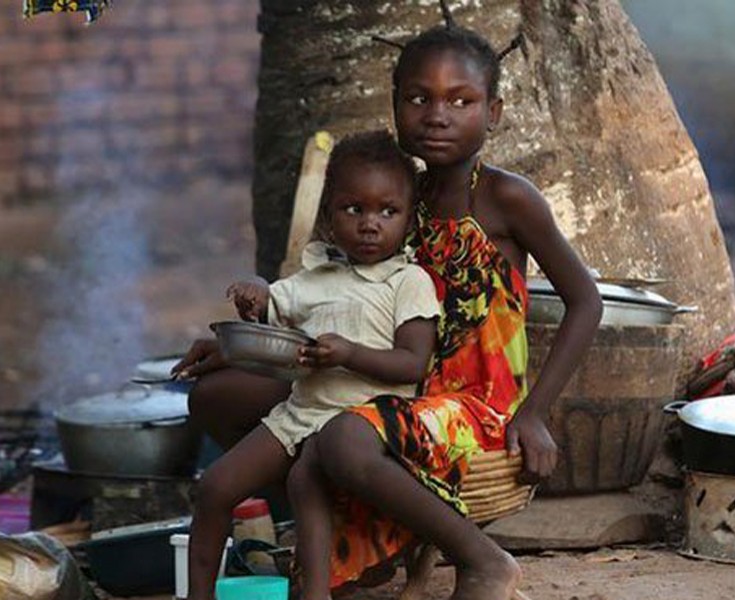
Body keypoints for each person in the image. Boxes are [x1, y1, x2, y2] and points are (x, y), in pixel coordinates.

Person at [177, 8, 603, 600]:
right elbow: (343, 304)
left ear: (494, 113)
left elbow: (586, 301)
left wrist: (534, 412)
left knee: (344, 440)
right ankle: (343, 526)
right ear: (396, 105)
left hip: (469, 404)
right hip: (382, 379)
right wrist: (238, 350)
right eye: (418, 99)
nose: (436, 116)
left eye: (461, 101)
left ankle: (484, 561)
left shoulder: (508, 199)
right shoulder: (396, 197)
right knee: (216, 397)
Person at [179, 130, 441, 600]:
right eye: (353, 209)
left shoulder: (409, 281)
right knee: (215, 487)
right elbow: (270, 316)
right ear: (328, 215)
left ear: (408, 218)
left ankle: (314, 591)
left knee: (306, 482)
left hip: (367, 425)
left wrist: (349, 354)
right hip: (299, 415)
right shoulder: (314, 277)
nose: (369, 224)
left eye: (388, 211)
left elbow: (412, 363)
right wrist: (254, 289)